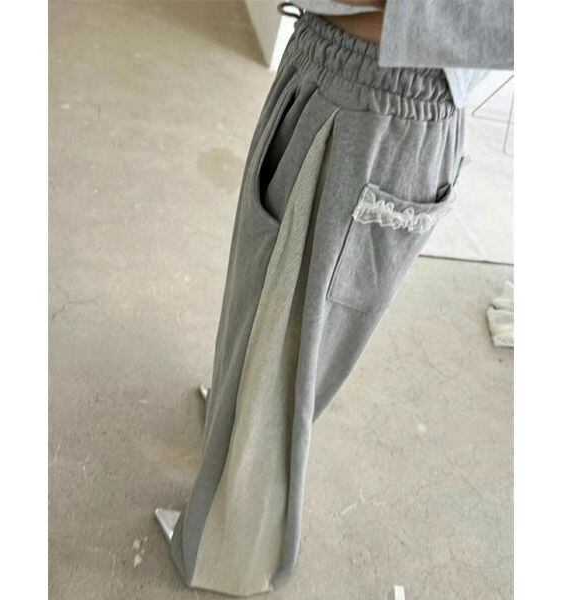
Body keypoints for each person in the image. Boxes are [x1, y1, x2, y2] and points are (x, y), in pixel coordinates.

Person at [155, 1, 514, 596]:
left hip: (385, 94)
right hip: (331, 58)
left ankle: (228, 554)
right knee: (261, 292)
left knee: (289, 346)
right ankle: (232, 429)